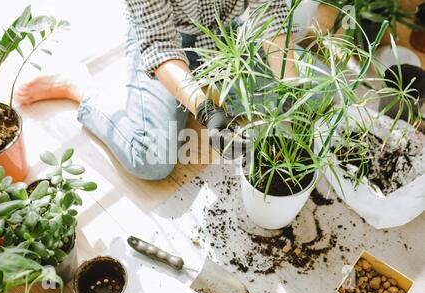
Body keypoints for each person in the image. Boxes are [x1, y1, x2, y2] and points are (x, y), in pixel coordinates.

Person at [16, 0, 298, 181]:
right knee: (151, 158)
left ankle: (204, 85)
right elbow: (161, 45)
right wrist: (208, 113)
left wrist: (293, 91)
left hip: (226, 36)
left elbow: (271, 15)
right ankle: (81, 90)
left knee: (314, 98)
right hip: (166, 44)